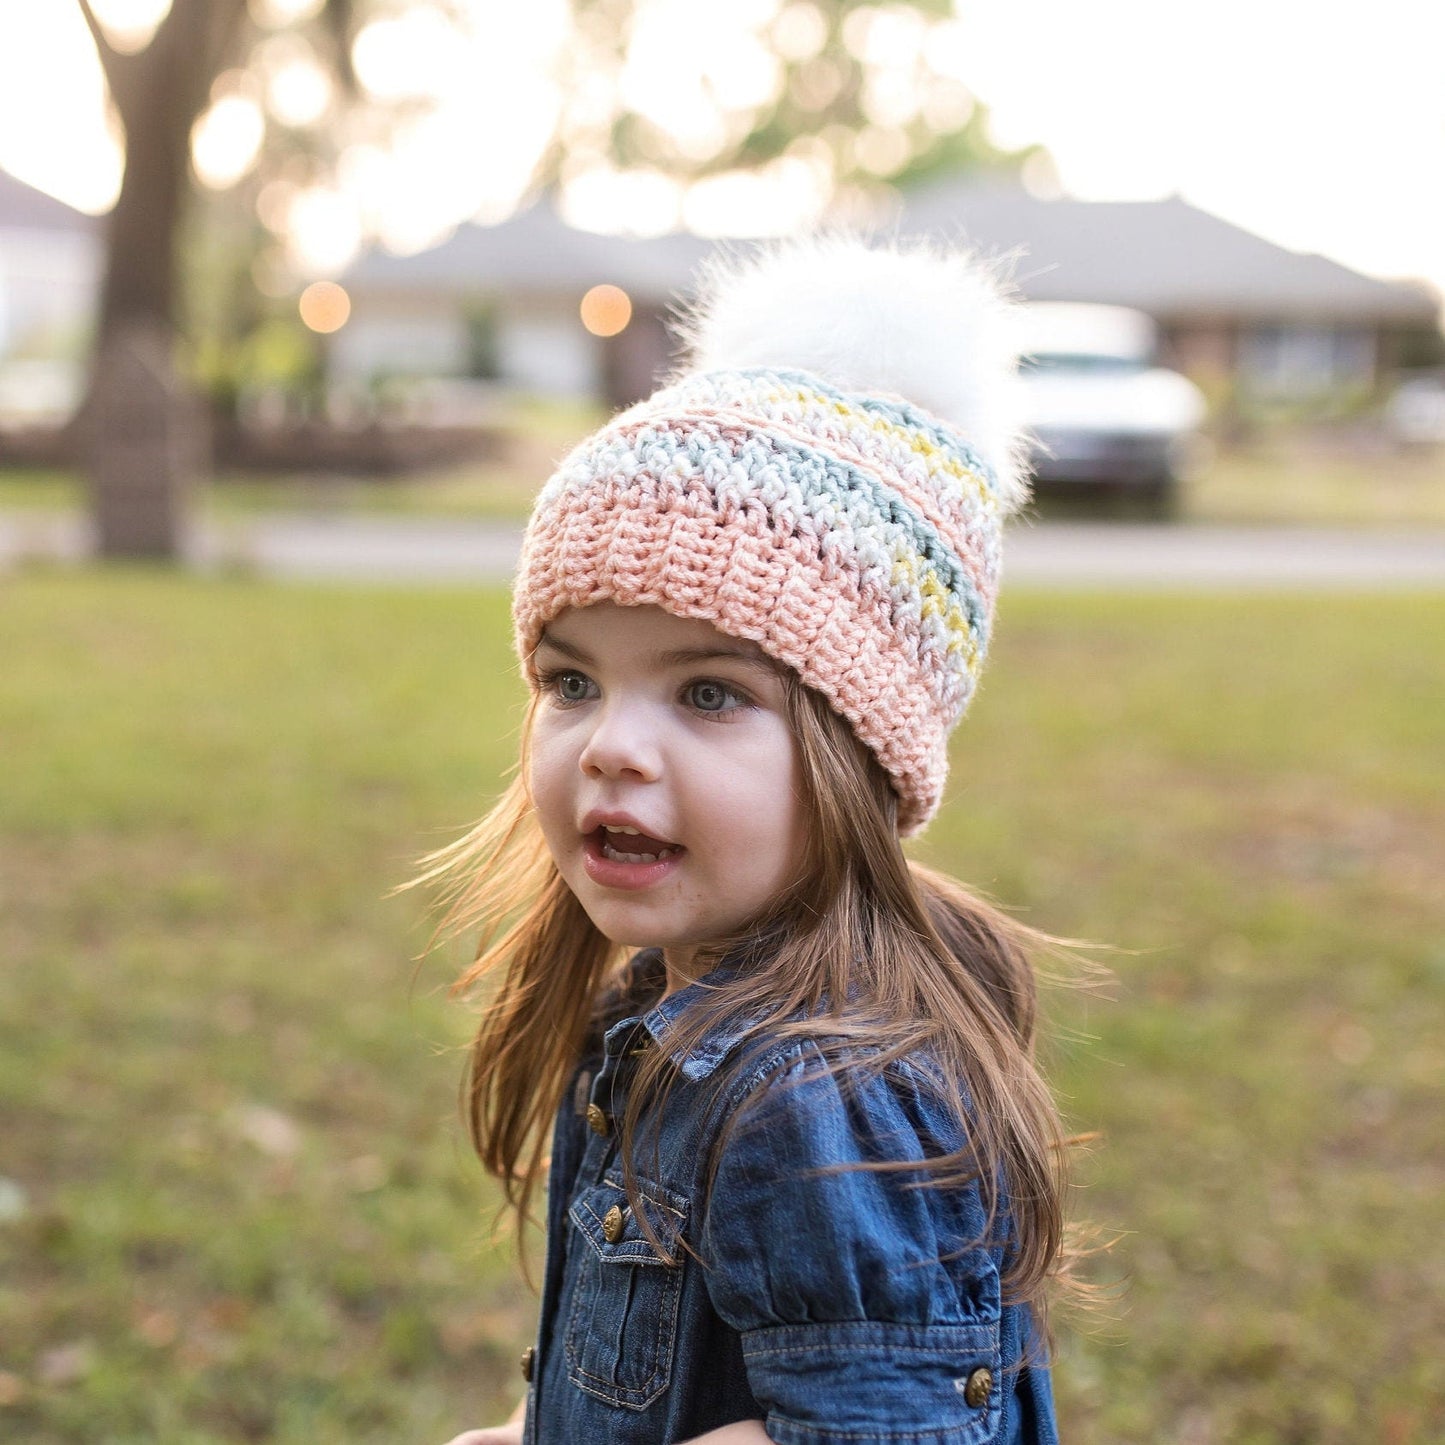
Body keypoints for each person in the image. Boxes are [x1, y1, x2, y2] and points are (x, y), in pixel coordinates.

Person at [422, 236, 1081, 1445]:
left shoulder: (816, 1100)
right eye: (572, 682)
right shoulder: (671, 1017)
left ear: (860, 755)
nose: (611, 745)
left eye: (709, 694)